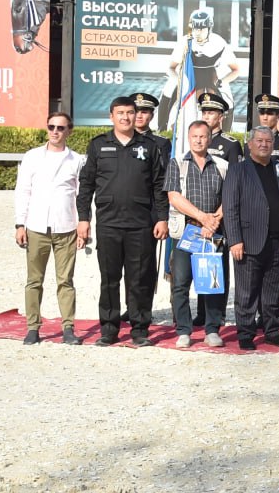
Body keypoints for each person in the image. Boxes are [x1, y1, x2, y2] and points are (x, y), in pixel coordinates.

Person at [76, 96, 169, 347]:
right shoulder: (98, 145)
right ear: (111, 116)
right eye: (120, 113)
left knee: (139, 279)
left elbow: (159, 186)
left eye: (129, 112)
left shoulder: (149, 146)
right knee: (109, 278)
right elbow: (86, 185)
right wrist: (83, 218)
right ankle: (109, 329)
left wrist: (162, 218)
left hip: (141, 223)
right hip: (108, 223)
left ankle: (139, 329)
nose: (125, 117)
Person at [222, 126, 279, 350]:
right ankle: (245, 333)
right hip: (248, 241)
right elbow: (230, 207)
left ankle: (272, 330)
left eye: (268, 141)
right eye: (259, 140)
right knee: (247, 291)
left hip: (278, 241)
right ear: (250, 144)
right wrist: (235, 239)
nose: (264, 144)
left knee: (273, 291)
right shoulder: (238, 170)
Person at [15, 112, 86, 346]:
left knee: (66, 281)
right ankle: (33, 328)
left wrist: (83, 225)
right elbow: (23, 191)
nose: (55, 131)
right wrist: (20, 224)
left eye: (60, 128)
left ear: (69, 131)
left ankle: (68, 328)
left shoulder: (76, 160)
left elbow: (82, 196)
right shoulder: (32, 156)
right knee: (34, 280)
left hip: (66, 227)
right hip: (36, 226)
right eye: (51, 127)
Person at [164, 120, 230, 348]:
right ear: (189, 138)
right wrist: (203, 217)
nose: (199, 140)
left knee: (213, 283)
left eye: (203, 136)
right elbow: (174, 197)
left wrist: (213, 221)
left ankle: (212, 329)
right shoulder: (177, 163)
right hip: (186, 232)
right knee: (180, 283)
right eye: (195, 136)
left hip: (213, 233)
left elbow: (229, 197)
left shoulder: (222, 165)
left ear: (209, 139)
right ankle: (184, 330)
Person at [159, 7, 241, 133]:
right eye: (195, 28)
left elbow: (236, 70)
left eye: (202, 29)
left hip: (211, 76)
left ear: (209, 28)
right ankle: (161, 129)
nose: (198, 32)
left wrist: (222, 81)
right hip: (189, 75)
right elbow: (171, 68)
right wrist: (178, 80)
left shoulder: (219, 42)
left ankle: (226, 132)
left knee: (228, 101)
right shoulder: (184, 41)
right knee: (168, 90)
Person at [198, 92, 243, 163]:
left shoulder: (231, 144)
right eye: (204, 113)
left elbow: (236, 169)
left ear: (220, 118)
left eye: (210, 113)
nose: (206, 117)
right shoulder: (197, 141)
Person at [131, 92, 171, 160]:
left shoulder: (161, 142)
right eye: (136, 112)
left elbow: (165, 166)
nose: (139, 116)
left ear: (152, 116)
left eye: (144, 112)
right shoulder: (121, 139)